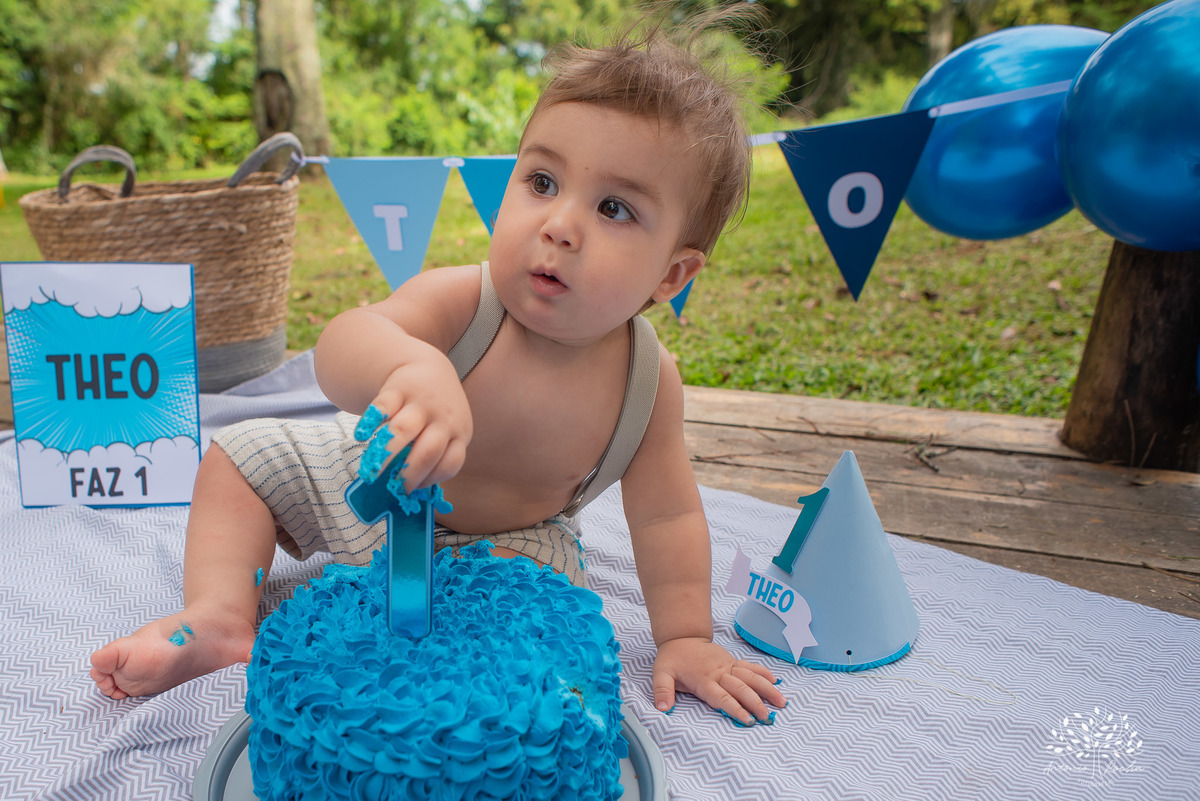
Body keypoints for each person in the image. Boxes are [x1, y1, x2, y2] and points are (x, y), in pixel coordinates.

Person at [90, 8, 787, 726]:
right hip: (361, 479)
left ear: (672, 275)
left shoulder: (647, 383)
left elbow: (668, 514)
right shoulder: (468, 302)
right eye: (542, 181)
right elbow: (343, 343)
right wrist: (413, 366)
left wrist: (686, 637)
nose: (559, 224)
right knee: (239, 461)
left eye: (613, 207)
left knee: (541, 621)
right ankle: (219, 613)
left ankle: (444, 700)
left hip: (507, 541)